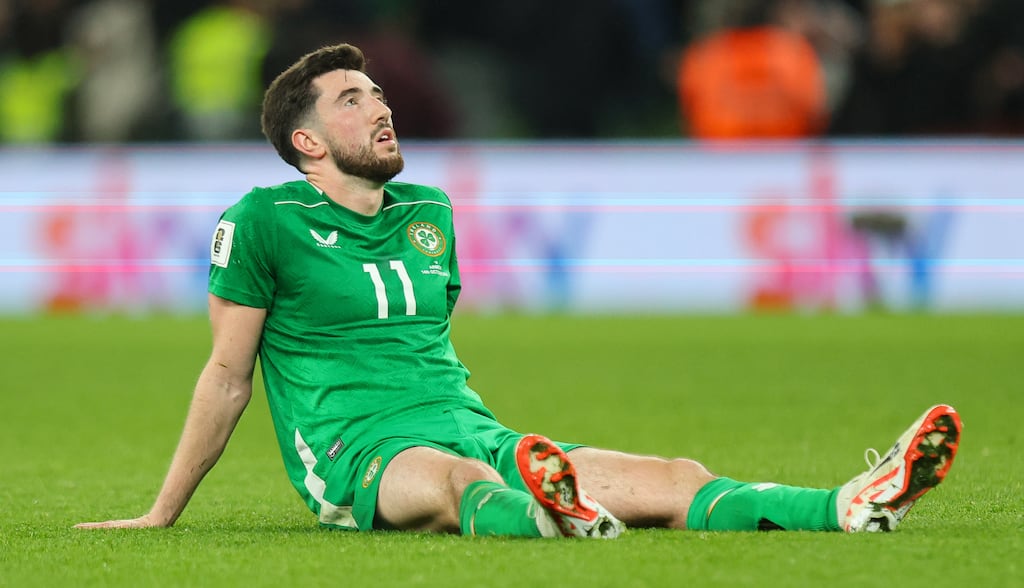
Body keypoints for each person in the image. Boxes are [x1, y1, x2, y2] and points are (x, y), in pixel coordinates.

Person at [76, 43, 962, 538]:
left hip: (472, 426)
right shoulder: (262, 221)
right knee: (456, 485)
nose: (380, 106)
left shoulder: (428, 210)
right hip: (357, 453)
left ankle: (850, 503)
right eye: (351, 100)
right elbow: (227, 376)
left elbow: (431, 339)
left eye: (378, 93)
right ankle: (553, 514)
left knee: (676, 477)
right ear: (306, 143)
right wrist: (161, 514)